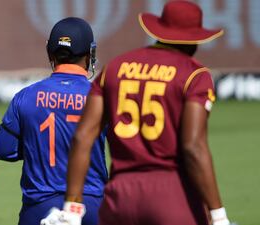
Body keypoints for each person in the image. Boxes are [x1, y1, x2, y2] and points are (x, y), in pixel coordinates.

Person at [43, 1, 231, 225]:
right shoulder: (194, 74)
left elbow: (82, 137)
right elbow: (193, 147)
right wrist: (218, 215)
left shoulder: (115, 67)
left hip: (119, 198)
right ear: (195, 38)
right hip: (171, 193)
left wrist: (72, 209)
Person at [0, 17, 108, 225]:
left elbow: (3, 149)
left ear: (50, 52)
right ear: (91, 53)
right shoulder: (101, 97)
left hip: (39, 208)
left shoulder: (25, 96)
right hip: (90, 207)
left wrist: (36, 146)